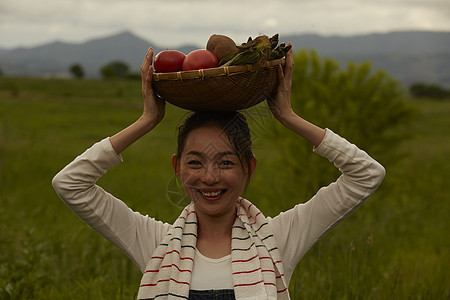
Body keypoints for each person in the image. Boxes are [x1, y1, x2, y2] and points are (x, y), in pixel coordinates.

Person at [52, 46, 385, 300]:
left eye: (226, 162)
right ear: (177, 168)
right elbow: (70, 184)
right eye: (195, 162)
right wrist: (147, 121)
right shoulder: (156, 244)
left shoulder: (278, 240)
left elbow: (366, 175)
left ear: (248, 169)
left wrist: (287, 115)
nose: (209, 177)